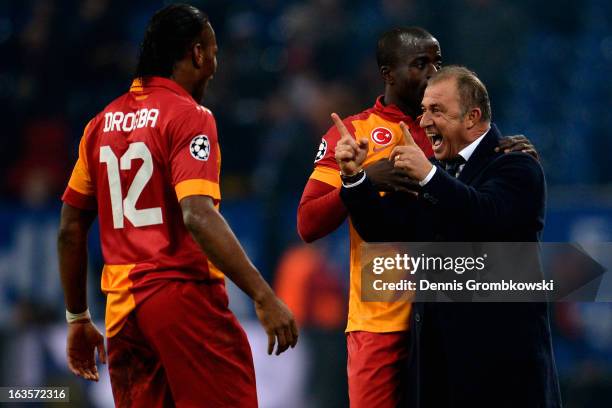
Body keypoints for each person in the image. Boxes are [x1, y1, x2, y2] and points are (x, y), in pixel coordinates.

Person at [57, 4, 297, 407]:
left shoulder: (98, 124)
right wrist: (262, 295)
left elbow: (70, 227)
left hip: (121, 314)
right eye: (214, 53)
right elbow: (197, 213)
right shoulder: (189, 116)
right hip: (182, 299)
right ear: (198, 53)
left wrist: (78, 317)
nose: (216, 66)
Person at [297, 27, 537, 407]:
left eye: (437, 62)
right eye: (420, 64)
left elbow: (488, 197)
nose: (431, 72)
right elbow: (308, 223)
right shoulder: (355, 133)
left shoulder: (446, 126)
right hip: (383, 320)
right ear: (388, 73)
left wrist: (502, 148)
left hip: (449, 319)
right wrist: (361, 179)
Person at [336, 66, 561, 407]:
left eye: (436, 110)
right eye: (424, 109)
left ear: (472, 117)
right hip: (438, 370)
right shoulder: (431, 171)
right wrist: (355, 179)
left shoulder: (516, 166)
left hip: (503, 375)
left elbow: (485, 216)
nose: (424, 121)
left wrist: (427, 176)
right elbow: (381, 228)